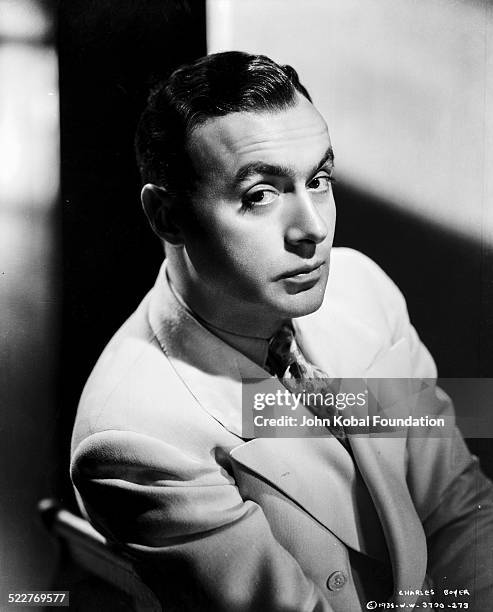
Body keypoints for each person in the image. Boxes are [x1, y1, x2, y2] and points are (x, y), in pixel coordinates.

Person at [70, 51, 493, 611]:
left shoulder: (363, 291)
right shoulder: (135, 439)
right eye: (259, 195)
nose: (314, 229)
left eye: (319, 179)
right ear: (167, 217)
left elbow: (458, 510)